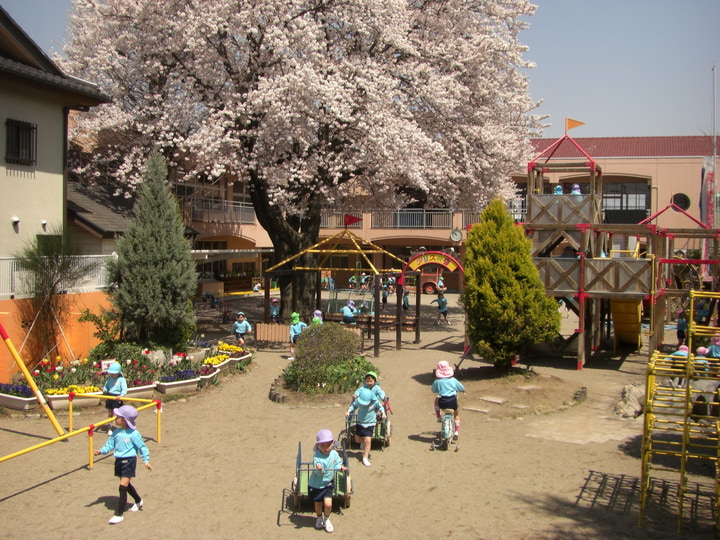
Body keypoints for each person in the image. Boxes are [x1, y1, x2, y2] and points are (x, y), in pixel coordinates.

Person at [94, 405, 152, 524]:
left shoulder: (134, 434)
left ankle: (119, 514)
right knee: (126, 484)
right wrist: (101, 451)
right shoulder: (116, 432)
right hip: (119, 460)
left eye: (118, 416)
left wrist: (146, 461)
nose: (116, 418)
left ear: (124, 420)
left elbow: (142, 447)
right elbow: (110, 445)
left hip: (129, 461)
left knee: (122, 487)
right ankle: (138, 500)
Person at [309, 429, 345, 533]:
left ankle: (327, 519)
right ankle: (319, 517)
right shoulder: (316, 457)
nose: (326, 448)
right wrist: (319, 468)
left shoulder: (334, 454)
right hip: (316, 485)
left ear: (333, 443)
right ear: (318, 446)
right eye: (322, 446)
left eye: (328, 445)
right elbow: (317, 470)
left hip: (328, 484)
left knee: (328, 504)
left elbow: (337, 463)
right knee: (318, 504)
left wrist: (340, 467)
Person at [345, 387, 385, 467]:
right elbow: (353, 406)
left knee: (368, 440)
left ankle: (365, 457)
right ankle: (364, 443)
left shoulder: (375, 402)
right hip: (360, 423)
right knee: (357, 439)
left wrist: (383, 413)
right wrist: (348, 411)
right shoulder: (359, 403)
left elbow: (381, 407)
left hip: (370, 424)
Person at [431, 360, 465, 439]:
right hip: (452, 400)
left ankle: (438, 416)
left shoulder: (437, 381)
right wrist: (463, 390)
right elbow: (461, 387)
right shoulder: (453, 380)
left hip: (442, 401)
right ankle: (456, 432)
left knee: (436, 400)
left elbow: (433, 390)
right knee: (456, 413)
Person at [103, 362, 127, 431]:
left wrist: (121, 395)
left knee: (118, 413)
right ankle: (109, 428)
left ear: (118, 373)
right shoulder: (109, 378)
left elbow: (124, 389)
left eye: (114, 373)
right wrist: (105, 390)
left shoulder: (121, 379)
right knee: (110, 413)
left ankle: (122, 427)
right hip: (110, 396)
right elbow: (106, 386)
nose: (112, 375)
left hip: (117, 396)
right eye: (111, 373)